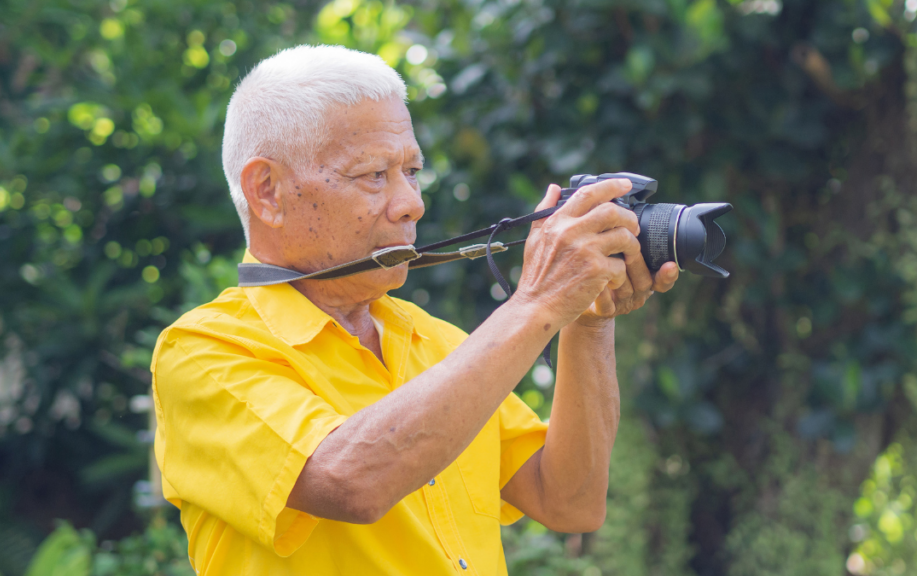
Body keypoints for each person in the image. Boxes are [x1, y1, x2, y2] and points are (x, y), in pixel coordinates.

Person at [150, 44, 678, 576]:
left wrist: (587, 318)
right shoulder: (201, 353)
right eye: (373, 174)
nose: (412, 203)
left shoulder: (438, 343)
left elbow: (569, 502)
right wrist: (537, 302)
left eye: (412, 170)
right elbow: (349, 481)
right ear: (267, 191)